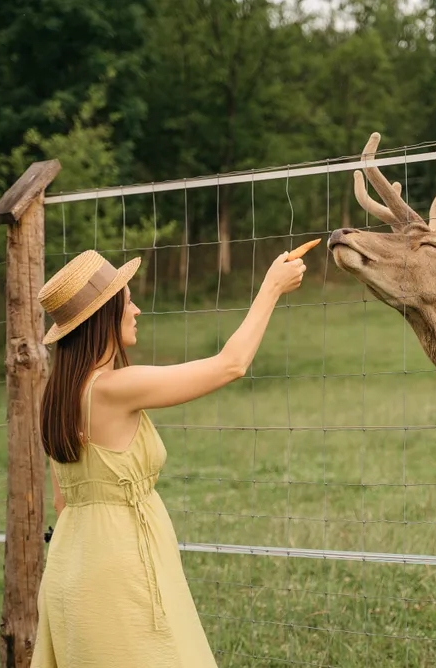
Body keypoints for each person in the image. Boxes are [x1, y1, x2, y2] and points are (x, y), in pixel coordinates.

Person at [30, 248, 306, 667]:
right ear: (104, 317)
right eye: (127, 302)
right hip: (119, 569)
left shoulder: (57, 397)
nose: (136, 310)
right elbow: (230, 365)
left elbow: (61, 501)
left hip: (72, 566)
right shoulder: (114, 388)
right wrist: (271, 288)